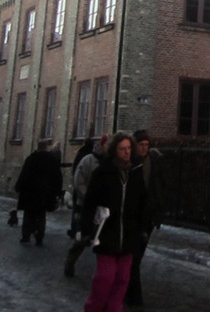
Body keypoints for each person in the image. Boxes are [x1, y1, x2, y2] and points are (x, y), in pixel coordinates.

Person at [81, 131, 148, 312]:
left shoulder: (135, 172)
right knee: (105, 278)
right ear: (114, 151)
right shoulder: (103, 172)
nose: (126, 152)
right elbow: (90, 203)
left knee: (122, 279)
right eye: (122, 149)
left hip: (128, 234)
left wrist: (142, 227)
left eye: (128, 148)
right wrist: (87, 230)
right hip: (107, 233)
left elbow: (142, 201)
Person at [124, 130, 166, 310]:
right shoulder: (128, 163)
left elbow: (160, 186)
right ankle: (133, 296)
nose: (144, 148)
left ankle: (131, 294)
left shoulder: (154, 162)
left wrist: (158, 208)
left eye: (147, 145)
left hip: (147, 216)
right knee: (132, 258)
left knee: (136, 258)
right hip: (130, 217)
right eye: (141, 145)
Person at [65, 135, 108, 277]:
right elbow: (79, 181)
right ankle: (70, 261)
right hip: (85, 205)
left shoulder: (111, 162)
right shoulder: (88, 160)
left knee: (102, 240)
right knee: (82, 238)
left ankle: (103, 270)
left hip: (103, 208)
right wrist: (88, 197)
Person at [14, 138, 64, 246]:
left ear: (37, 147)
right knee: (41, 216)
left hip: (30, 192)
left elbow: (24, 174)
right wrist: (58, 192)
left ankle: (26, 236)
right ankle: (39, 237)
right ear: (46, 147)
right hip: (44, 193)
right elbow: (57, 177)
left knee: (28, 215)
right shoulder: (52, 159)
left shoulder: (31, 158)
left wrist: (18, 187)